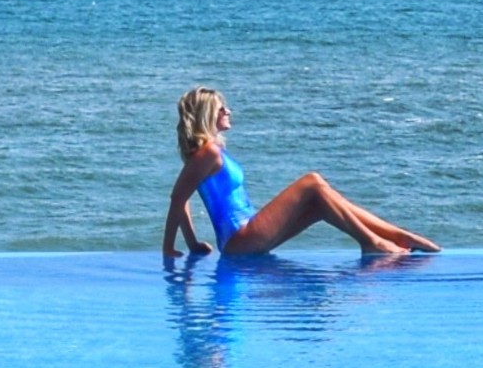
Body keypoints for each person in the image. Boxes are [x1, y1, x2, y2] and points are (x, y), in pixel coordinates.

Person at [160, 85, 438, 262]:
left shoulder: (213, 152)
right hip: (239, 239)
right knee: (312, 182)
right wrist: (172, 247)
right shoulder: (207, 152)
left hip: (247, 234)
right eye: (222, 108)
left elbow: (182, 198)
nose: (229, 111)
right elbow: (177, 198)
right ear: (209, 114)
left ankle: (397, 235)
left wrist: (193, 244)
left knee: (320, 204)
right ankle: (372, 242)